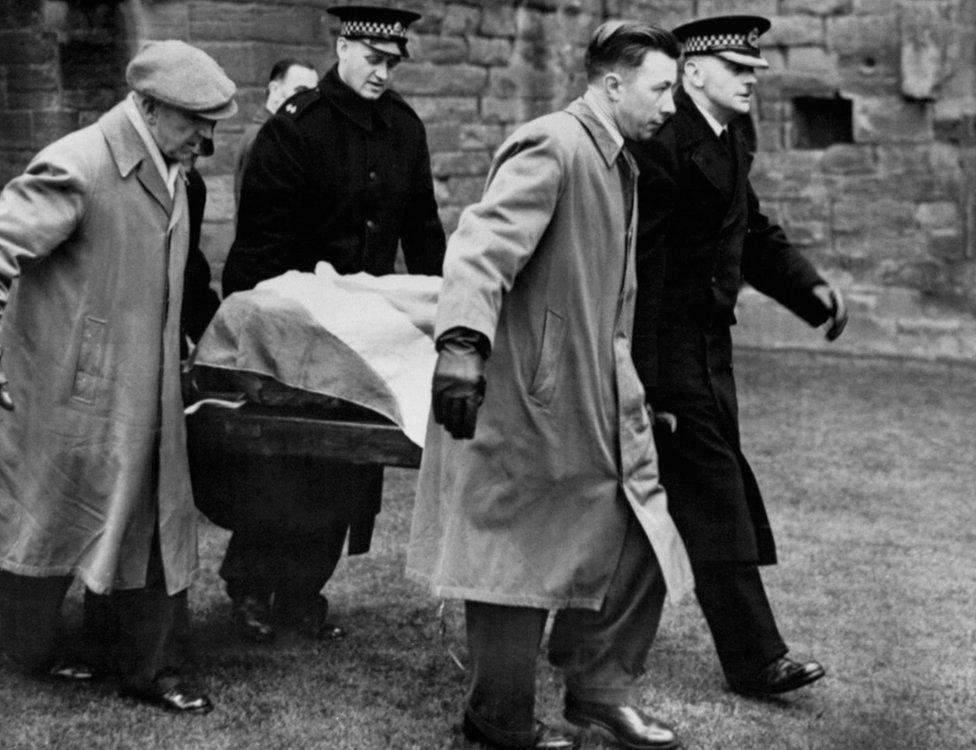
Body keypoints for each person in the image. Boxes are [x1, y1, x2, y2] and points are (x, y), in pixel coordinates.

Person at [407, 20, 695, 750]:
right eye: (662, 88)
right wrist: (464, 346)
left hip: (593, 394)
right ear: (611, 84)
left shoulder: (618, 159)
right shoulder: (554, 144)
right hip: (530, 402)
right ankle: (496, 720)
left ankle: (600, 692)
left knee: (640, 534)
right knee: (515, 563)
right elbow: (480, 249)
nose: (671, 105)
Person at [0, 40, 237, 713]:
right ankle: (34, 647)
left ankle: (152, 667)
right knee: (44, 523)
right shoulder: (78, 163)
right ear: (148, 106)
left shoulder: (173, 168)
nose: (207, 140)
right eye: (197, 122)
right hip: (69, 390)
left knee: (155, 521)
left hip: (146, 393)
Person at [629, 15, 849, 697]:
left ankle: (577, 639)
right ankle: (756, 659)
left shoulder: (725, 138)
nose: (751, 79)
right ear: (693, 72)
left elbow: (749, 227)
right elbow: (645, 272)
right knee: (714, 493)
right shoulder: (665, 145)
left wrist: (810, 291)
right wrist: (648, 386)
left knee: (646, 505)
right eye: (737, 69)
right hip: (668, 356)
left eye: (754, 70)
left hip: (708, 351)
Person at [218, 4, 446, 644]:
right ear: (343, 47)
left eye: (392, 63)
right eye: (372, 59)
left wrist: (453, 314)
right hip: (295, 324)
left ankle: (301, 592)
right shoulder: (296, 129)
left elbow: (424, 232)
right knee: (285, 462)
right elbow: (261, 244)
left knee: (348, 466)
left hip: (367, 330)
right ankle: (250, 586)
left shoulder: (405, 127)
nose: (382, 72)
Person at [233, 59, 319, 205]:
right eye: (301, 91)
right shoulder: (264, 139)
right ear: (275, 89)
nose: (309, 101)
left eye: (313, 94)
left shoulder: (278, 134)